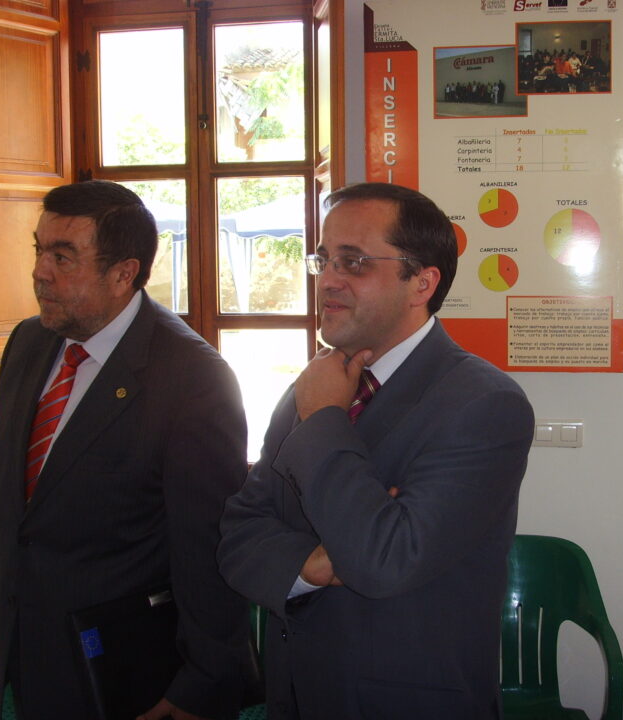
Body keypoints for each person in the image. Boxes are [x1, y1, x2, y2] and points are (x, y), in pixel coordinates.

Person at [0, 180, 260, 720]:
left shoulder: (192, 379)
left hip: (125, 663)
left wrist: (203, 683)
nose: (40, 271)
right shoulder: (28, 342)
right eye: (40, 250)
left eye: (63, 257)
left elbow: (207, 544)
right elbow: (4, 495)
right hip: (30, 648)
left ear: (123, 273)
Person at [217, 182, 534, 720]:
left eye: (354, 261)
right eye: (324, 260)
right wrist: (310, 564)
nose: (328, 280)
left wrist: (324, 420)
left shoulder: (484, 404)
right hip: (297, 696)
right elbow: (239, 532)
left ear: (422, 283)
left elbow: (385, 561)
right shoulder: (313, 386)